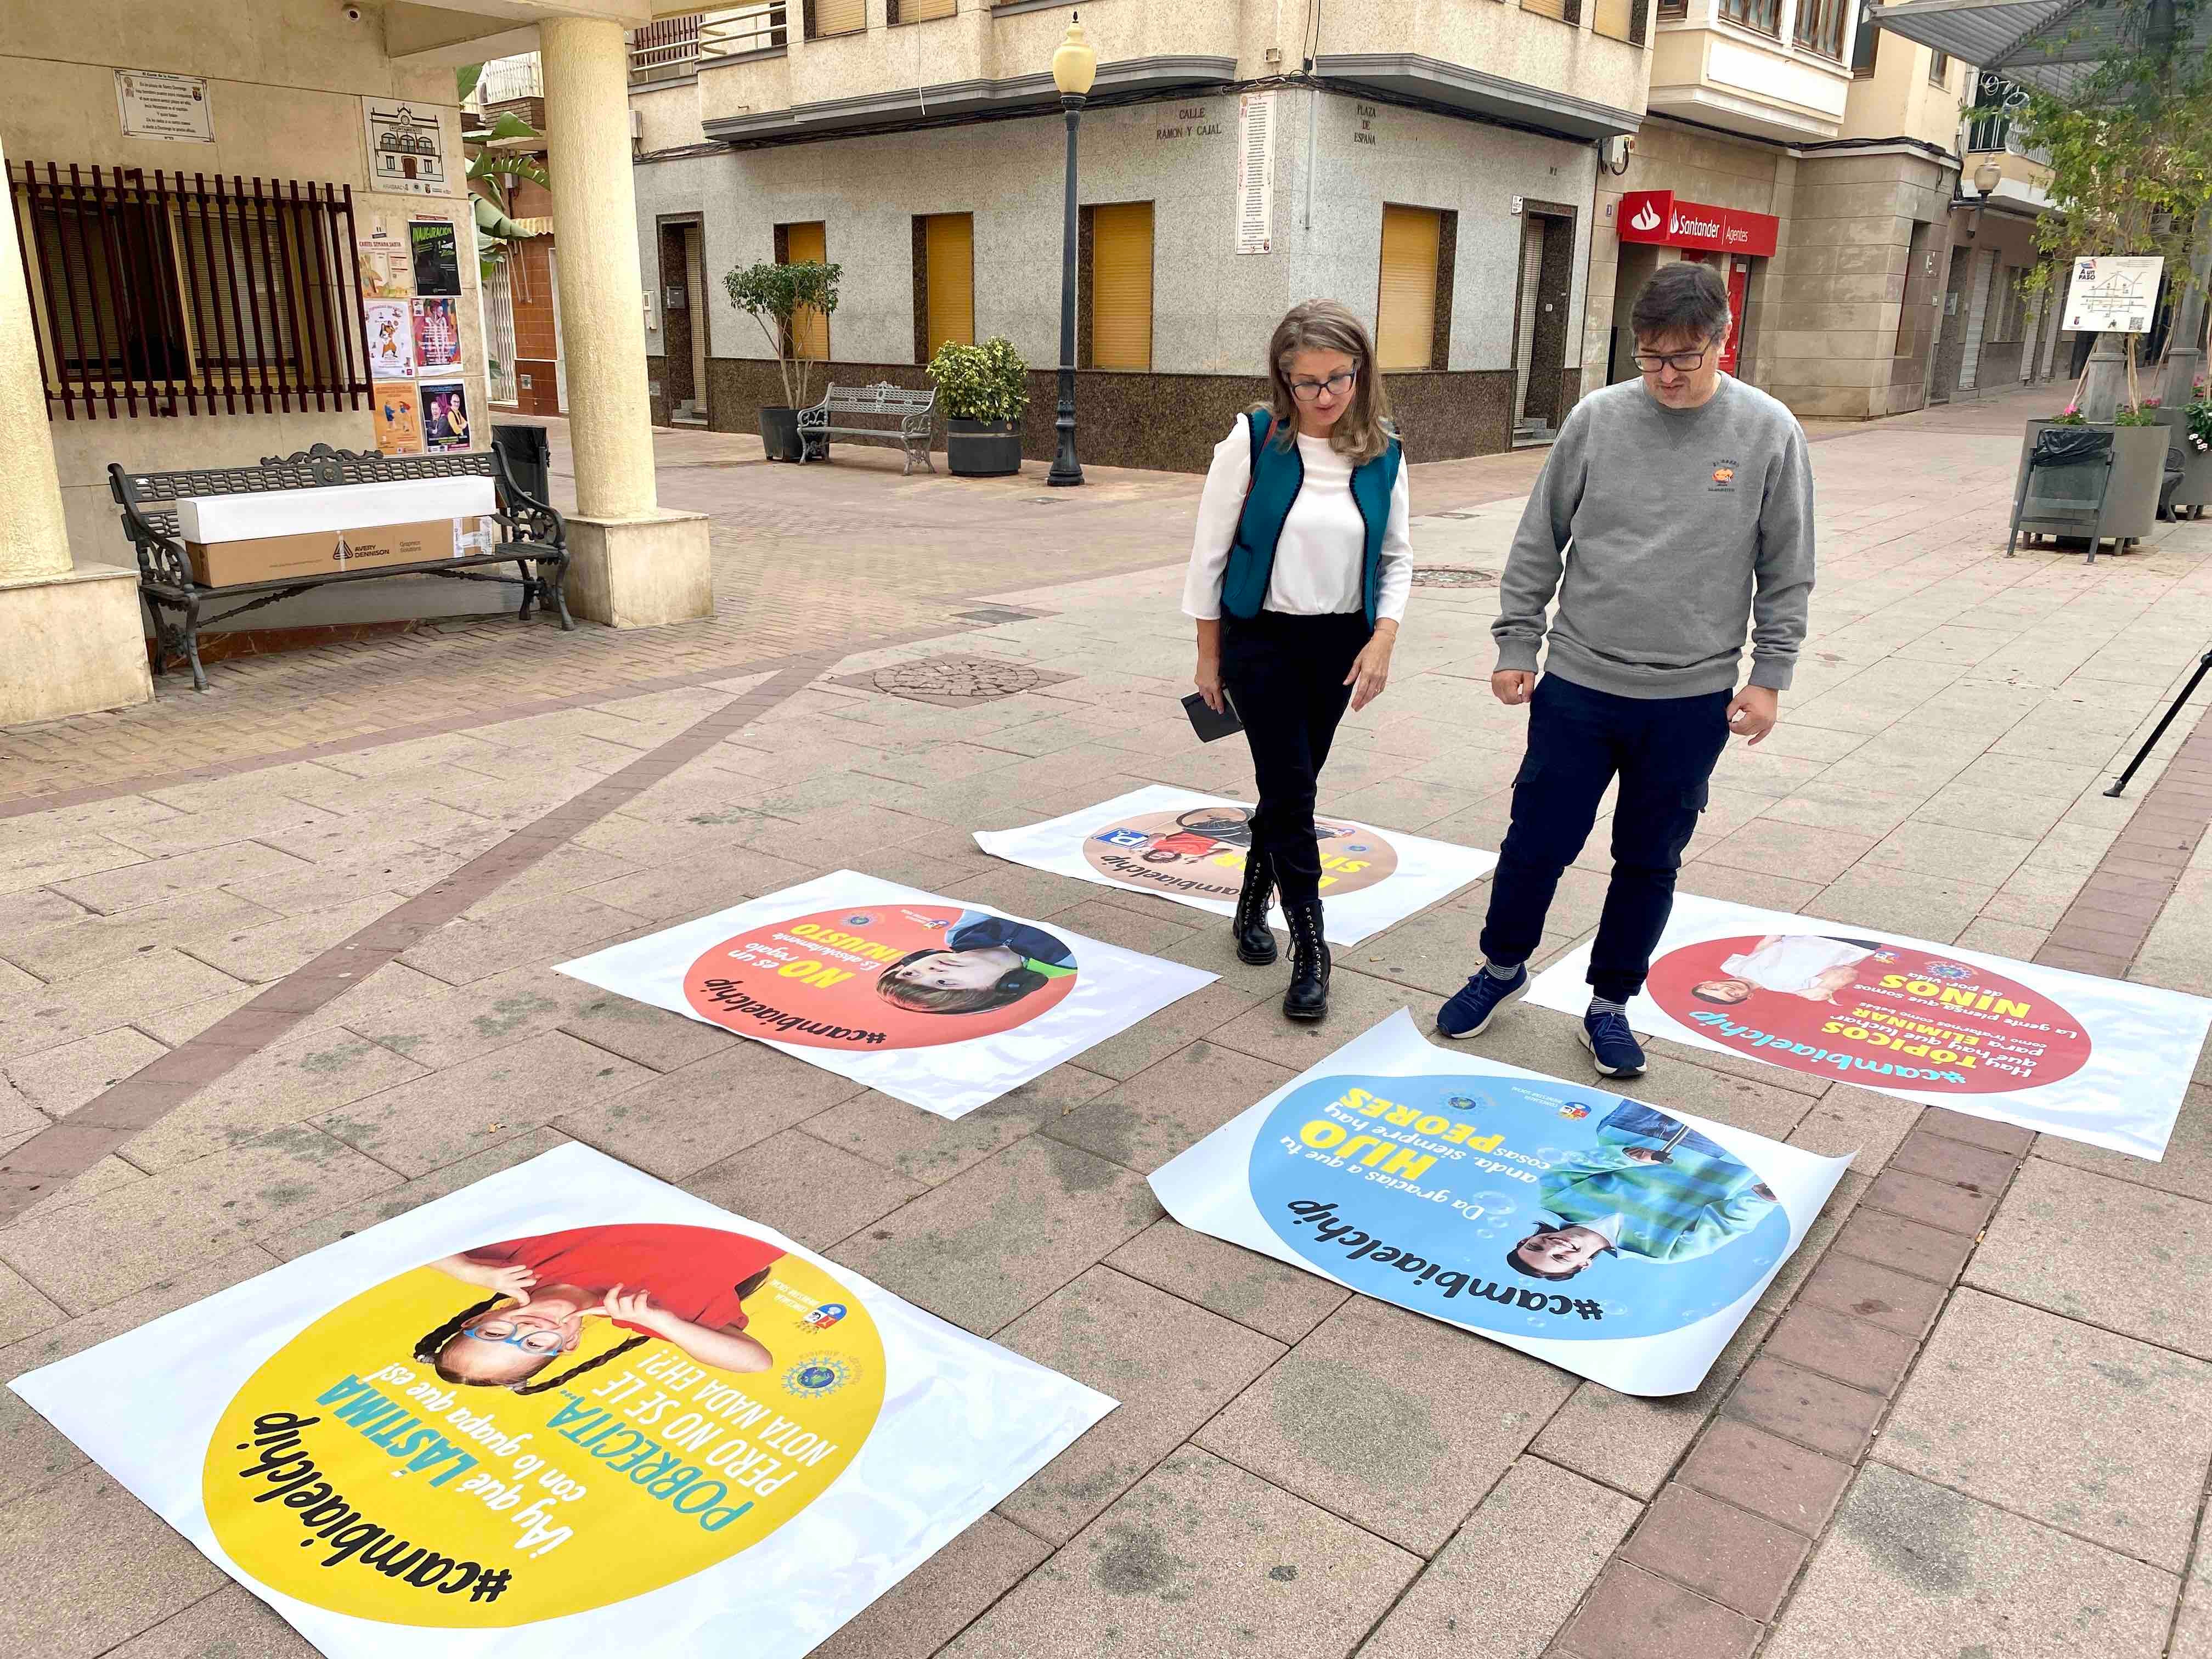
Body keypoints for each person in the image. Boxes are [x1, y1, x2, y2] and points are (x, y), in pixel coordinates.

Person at [1435, 262, 1815, 1077]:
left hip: (1690, 698)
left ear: (1722, 340)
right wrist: (1516, 644)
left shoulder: (1769, 430)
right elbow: (1542, 537)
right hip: (1577, 684)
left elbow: (1787, 566)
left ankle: (1609, 1003)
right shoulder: (1598, 419)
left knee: (1649, 859)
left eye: (1684, 357)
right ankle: (1501, 969)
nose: (1666, 376)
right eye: (1649, 358)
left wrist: (1769, 675)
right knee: (1537, 840)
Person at [1186, 299, 1412, 1021]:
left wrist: (1384, 637)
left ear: (1361, 373)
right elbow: (1209, 555)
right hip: (1261, 640)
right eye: (1304, 381)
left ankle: (1252, 898)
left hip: (1339, 644)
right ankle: (1311, 947)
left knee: (1292, 786)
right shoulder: (1252, 441)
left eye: (1336, 380)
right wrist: (1207, 656)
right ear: (1283, 379)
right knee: (1294, 790)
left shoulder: (1384, 450)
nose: (1321, 397)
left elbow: (1399, 557)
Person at [415, 1223, 782, 1392]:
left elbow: (410, 1234)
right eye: (534, 1345)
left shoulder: (506, 1261)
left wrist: (463, 1269)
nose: (524, 1330)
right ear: (569, 1345)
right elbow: (755, 1362)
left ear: (482, 1317)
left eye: (495, 1333)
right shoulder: (644, 1312)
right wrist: (664, 1322)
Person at [1505, 1102, 1778, 1282]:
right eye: (1561, 1258)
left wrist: (1627, 1157)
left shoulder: (1554, 1201)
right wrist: (1760, 1199)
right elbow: (1725, 1225)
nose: (1553, 1246)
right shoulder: (1660, 1253)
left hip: (1631, 1130)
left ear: (1526, 1239)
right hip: (1716, 1157)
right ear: (1584, 1265)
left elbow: (1576, 1164)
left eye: (1536, 1245)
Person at [875, 909, 1075, 1015]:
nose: (932, 971)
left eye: (912, 973)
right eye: (943, 983)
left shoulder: (959, 937)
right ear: (996, 989)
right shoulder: (1063, 961)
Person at [1692, 934, 1882, 1006]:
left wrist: (1783, 924)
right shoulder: (1791, 988)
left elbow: (1766, 945)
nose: (1727, 989)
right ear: (1747, 997)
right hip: (1850, 942)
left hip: (1804, 930)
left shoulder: (1732, 966)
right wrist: (1825, 988)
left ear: (1707, 982)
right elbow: (1849, 972)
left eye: (1715, 989)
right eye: (1732, 994)